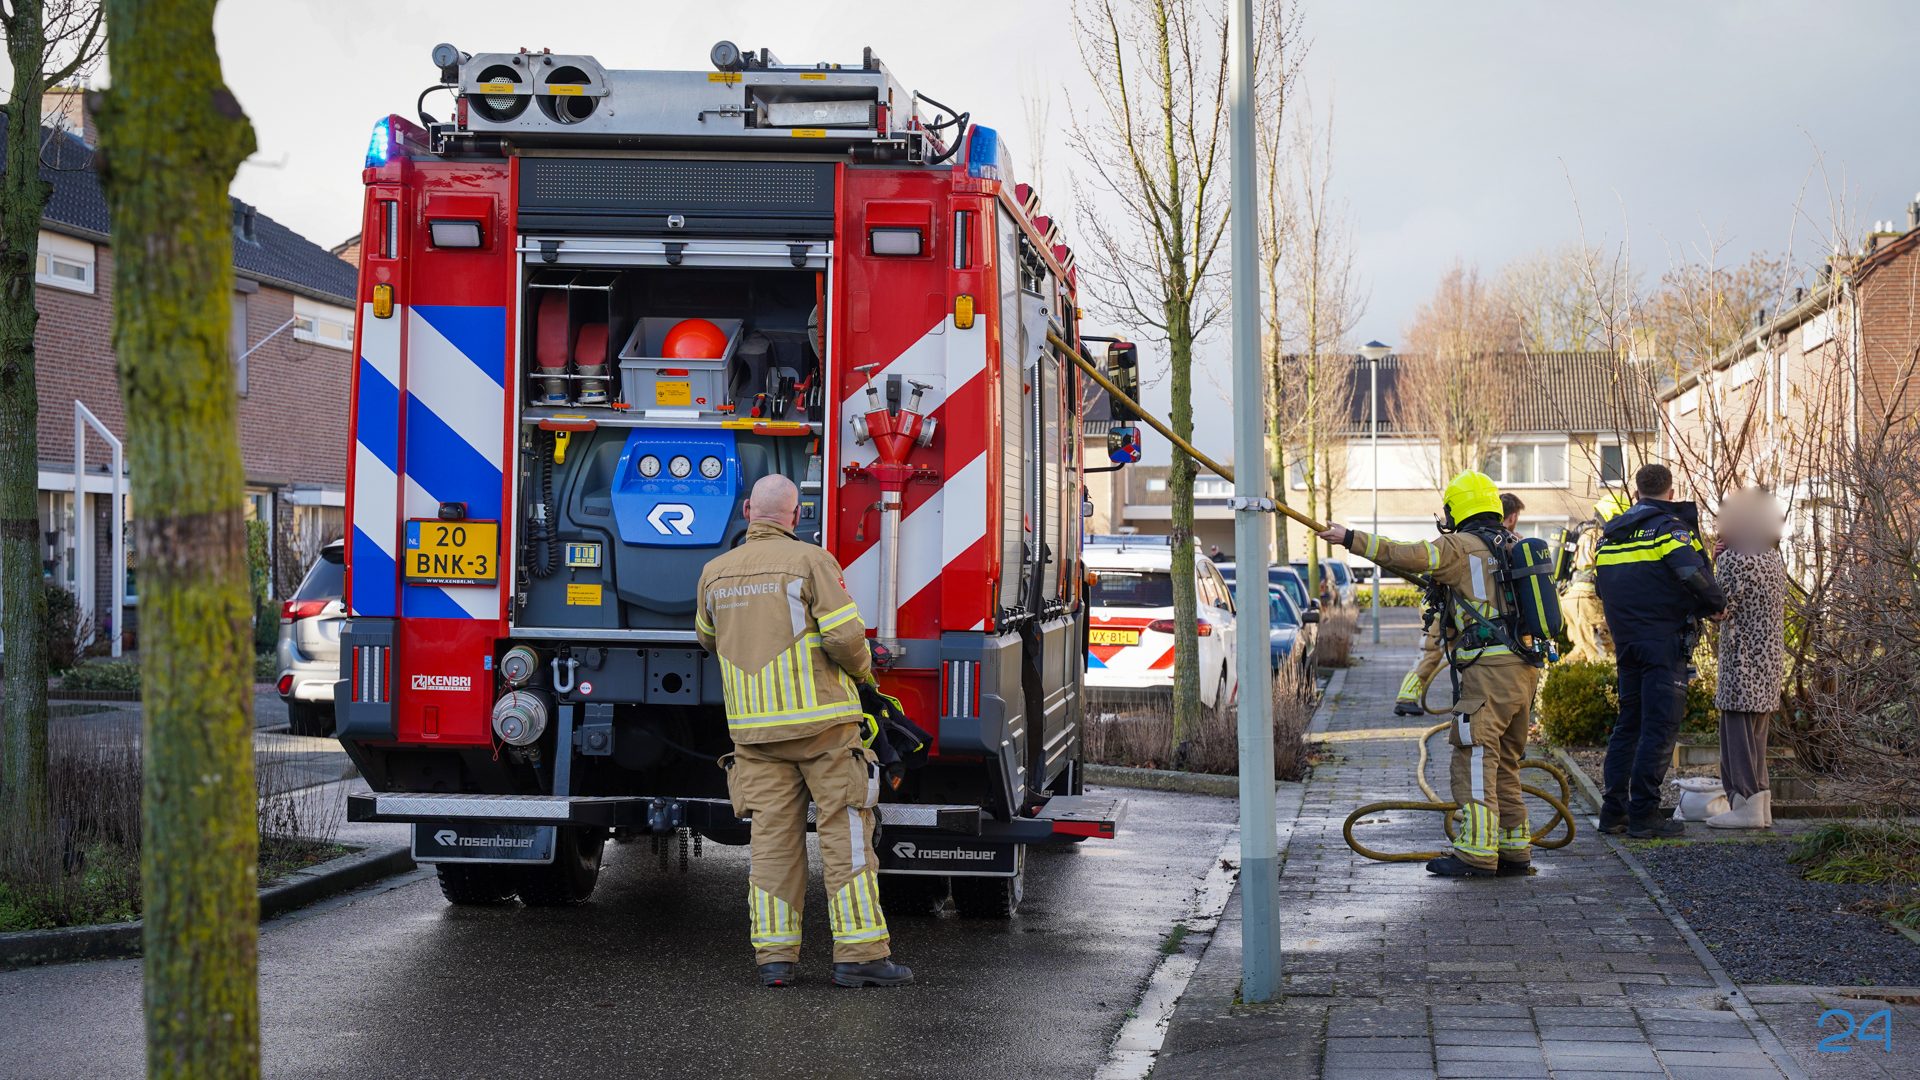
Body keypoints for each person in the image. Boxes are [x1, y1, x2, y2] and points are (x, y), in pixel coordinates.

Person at [696, 474, 914, 988]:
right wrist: (865, 675)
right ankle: (859, 956)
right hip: (823, 729)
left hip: (754, 733)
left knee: (771, 843)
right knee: (846, 835)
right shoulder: (811, 561)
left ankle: (774, 959)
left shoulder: (714, 573)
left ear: (748, 511)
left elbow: (707, 638)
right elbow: (844, 638)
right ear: (796, 516)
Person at [1321, 472, 1543, 877]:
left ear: (1458, 509)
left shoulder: (1458, 546)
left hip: (1488, 674)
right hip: (1525, 669)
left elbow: (1404, 553)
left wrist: (1350, 538)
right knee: (1506, 760)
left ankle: (1476, 852)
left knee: (1475, 755)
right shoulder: (1512, 545)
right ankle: (1514, 849)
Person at [1594, 463, 1726, 838]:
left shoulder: (1610, 535)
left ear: (1636, 493)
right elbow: (1690, 573)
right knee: (1659, 727)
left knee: (1628, 725)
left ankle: (1613, 812)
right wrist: (1716, 604)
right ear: (1671, 492)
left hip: (1627, 643)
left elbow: (1602, 589)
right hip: (1663, 642)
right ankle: (1644, 815)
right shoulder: (1669, 530)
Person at [1395, 493, 1525, 716]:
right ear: (1511, 516)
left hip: (1461, 609)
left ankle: (1472, 698)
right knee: (1432, 651)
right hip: (1442, 607)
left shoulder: (1481, 537)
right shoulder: (1502, 541)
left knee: (1469, 653)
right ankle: (1406, 697)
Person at [1706, 488, 1788, 829]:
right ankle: (1760, 806)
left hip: (1741, 664)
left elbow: (1718, 609)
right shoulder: (1772, 557)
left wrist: (1713, 565)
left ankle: (1744, 805)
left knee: (1736, 738)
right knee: (1757, 738)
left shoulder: (1734, 559)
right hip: (1768, 663)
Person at [1559, 491, 1631, 664]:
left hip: (1571, 597)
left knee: (1583, 650)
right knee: (1603, 652)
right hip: (1588, 599)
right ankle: (1603, 682)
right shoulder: (1599, 535)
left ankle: (1558, 675)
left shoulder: (1585, 532)